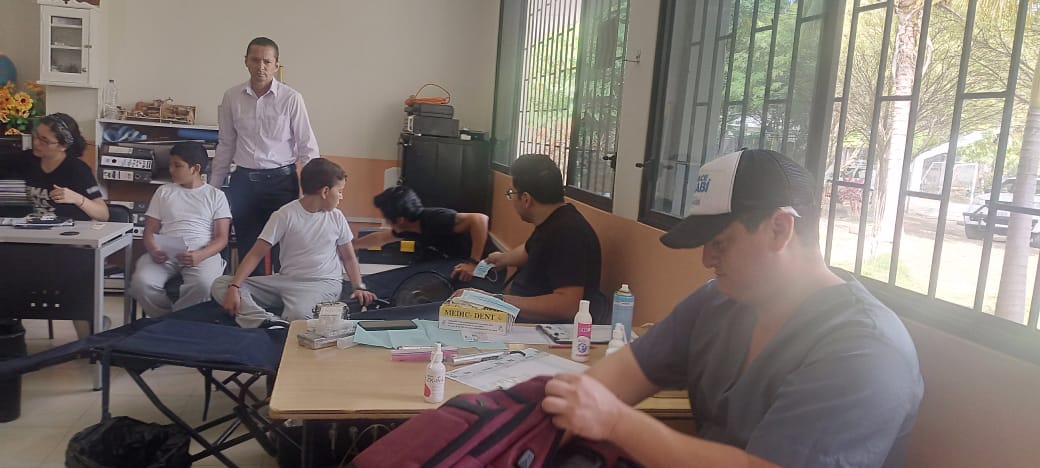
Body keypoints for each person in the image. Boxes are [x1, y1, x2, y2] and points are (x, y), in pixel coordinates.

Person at [541, 149, 923, 467]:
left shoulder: (864, 351)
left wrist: (616, 423)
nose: (707, 259)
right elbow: (618, 376)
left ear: (779, 229)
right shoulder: (717, 302)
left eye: (720, 243)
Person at [211, 159, 375, 328]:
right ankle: (265, 320)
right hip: (285, 281)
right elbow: (256, 253)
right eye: (339, 191)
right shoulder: (284, 215)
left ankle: (273, 322)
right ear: (325, 191)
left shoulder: (337, 217)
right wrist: (235, 286)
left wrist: (359, 287)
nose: (341, 197)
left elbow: (348, 257)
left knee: (298, 316)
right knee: (221, 284)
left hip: (322, 283)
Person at [211, 36, 320, 276]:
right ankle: (251, 297)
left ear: (276, 65)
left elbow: (307, 147)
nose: (261, 66)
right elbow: (226, 145)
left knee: (286, 250)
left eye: (267, 61)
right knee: (249, 249)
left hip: (282, 183)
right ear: (246, 62)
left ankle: (283, 298)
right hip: (243, 183)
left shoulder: (291, 98)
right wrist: (213, 190)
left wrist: (312, 192)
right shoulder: (232, 97)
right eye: (255, 60)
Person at [470, 153, 603, 323]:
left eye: (511, 193)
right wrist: (502, 259)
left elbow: (568, 305)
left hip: (535, 328)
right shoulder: (554, 219)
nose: (511, 199)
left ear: (526, 199)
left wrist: (495, 301)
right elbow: (529, 250)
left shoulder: (568, 234)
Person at [129, 142, 231, 317]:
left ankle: (179, 321)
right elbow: (150, 231)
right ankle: (166, 319)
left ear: (195, 168)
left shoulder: (216, 196)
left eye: (177, 165)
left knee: (204, 285)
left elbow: (222, 238)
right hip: (165, 253)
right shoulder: (163, 192)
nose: (171, 170)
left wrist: (201, 254)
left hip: (202, 253)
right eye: (170, 165)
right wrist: (153, 249)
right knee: (141, 282)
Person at [352, 185, 492, 281]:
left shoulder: (436, 218)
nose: (387, 222)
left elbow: (480, 219)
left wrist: (473, 263)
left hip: (482, 267)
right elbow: (381, 238)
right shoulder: (408, 228)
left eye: (387, 219)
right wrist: (352, 245)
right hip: (453, 263)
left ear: (400, 220)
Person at [3, 113, 108, 221]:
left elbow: (103, 214)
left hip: (71, 229)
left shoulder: (78, 170)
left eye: (44, 140)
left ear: (63, 146)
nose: (36, 143)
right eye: (36, 135)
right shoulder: (28, 159)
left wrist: (77, 198)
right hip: (36, 226)